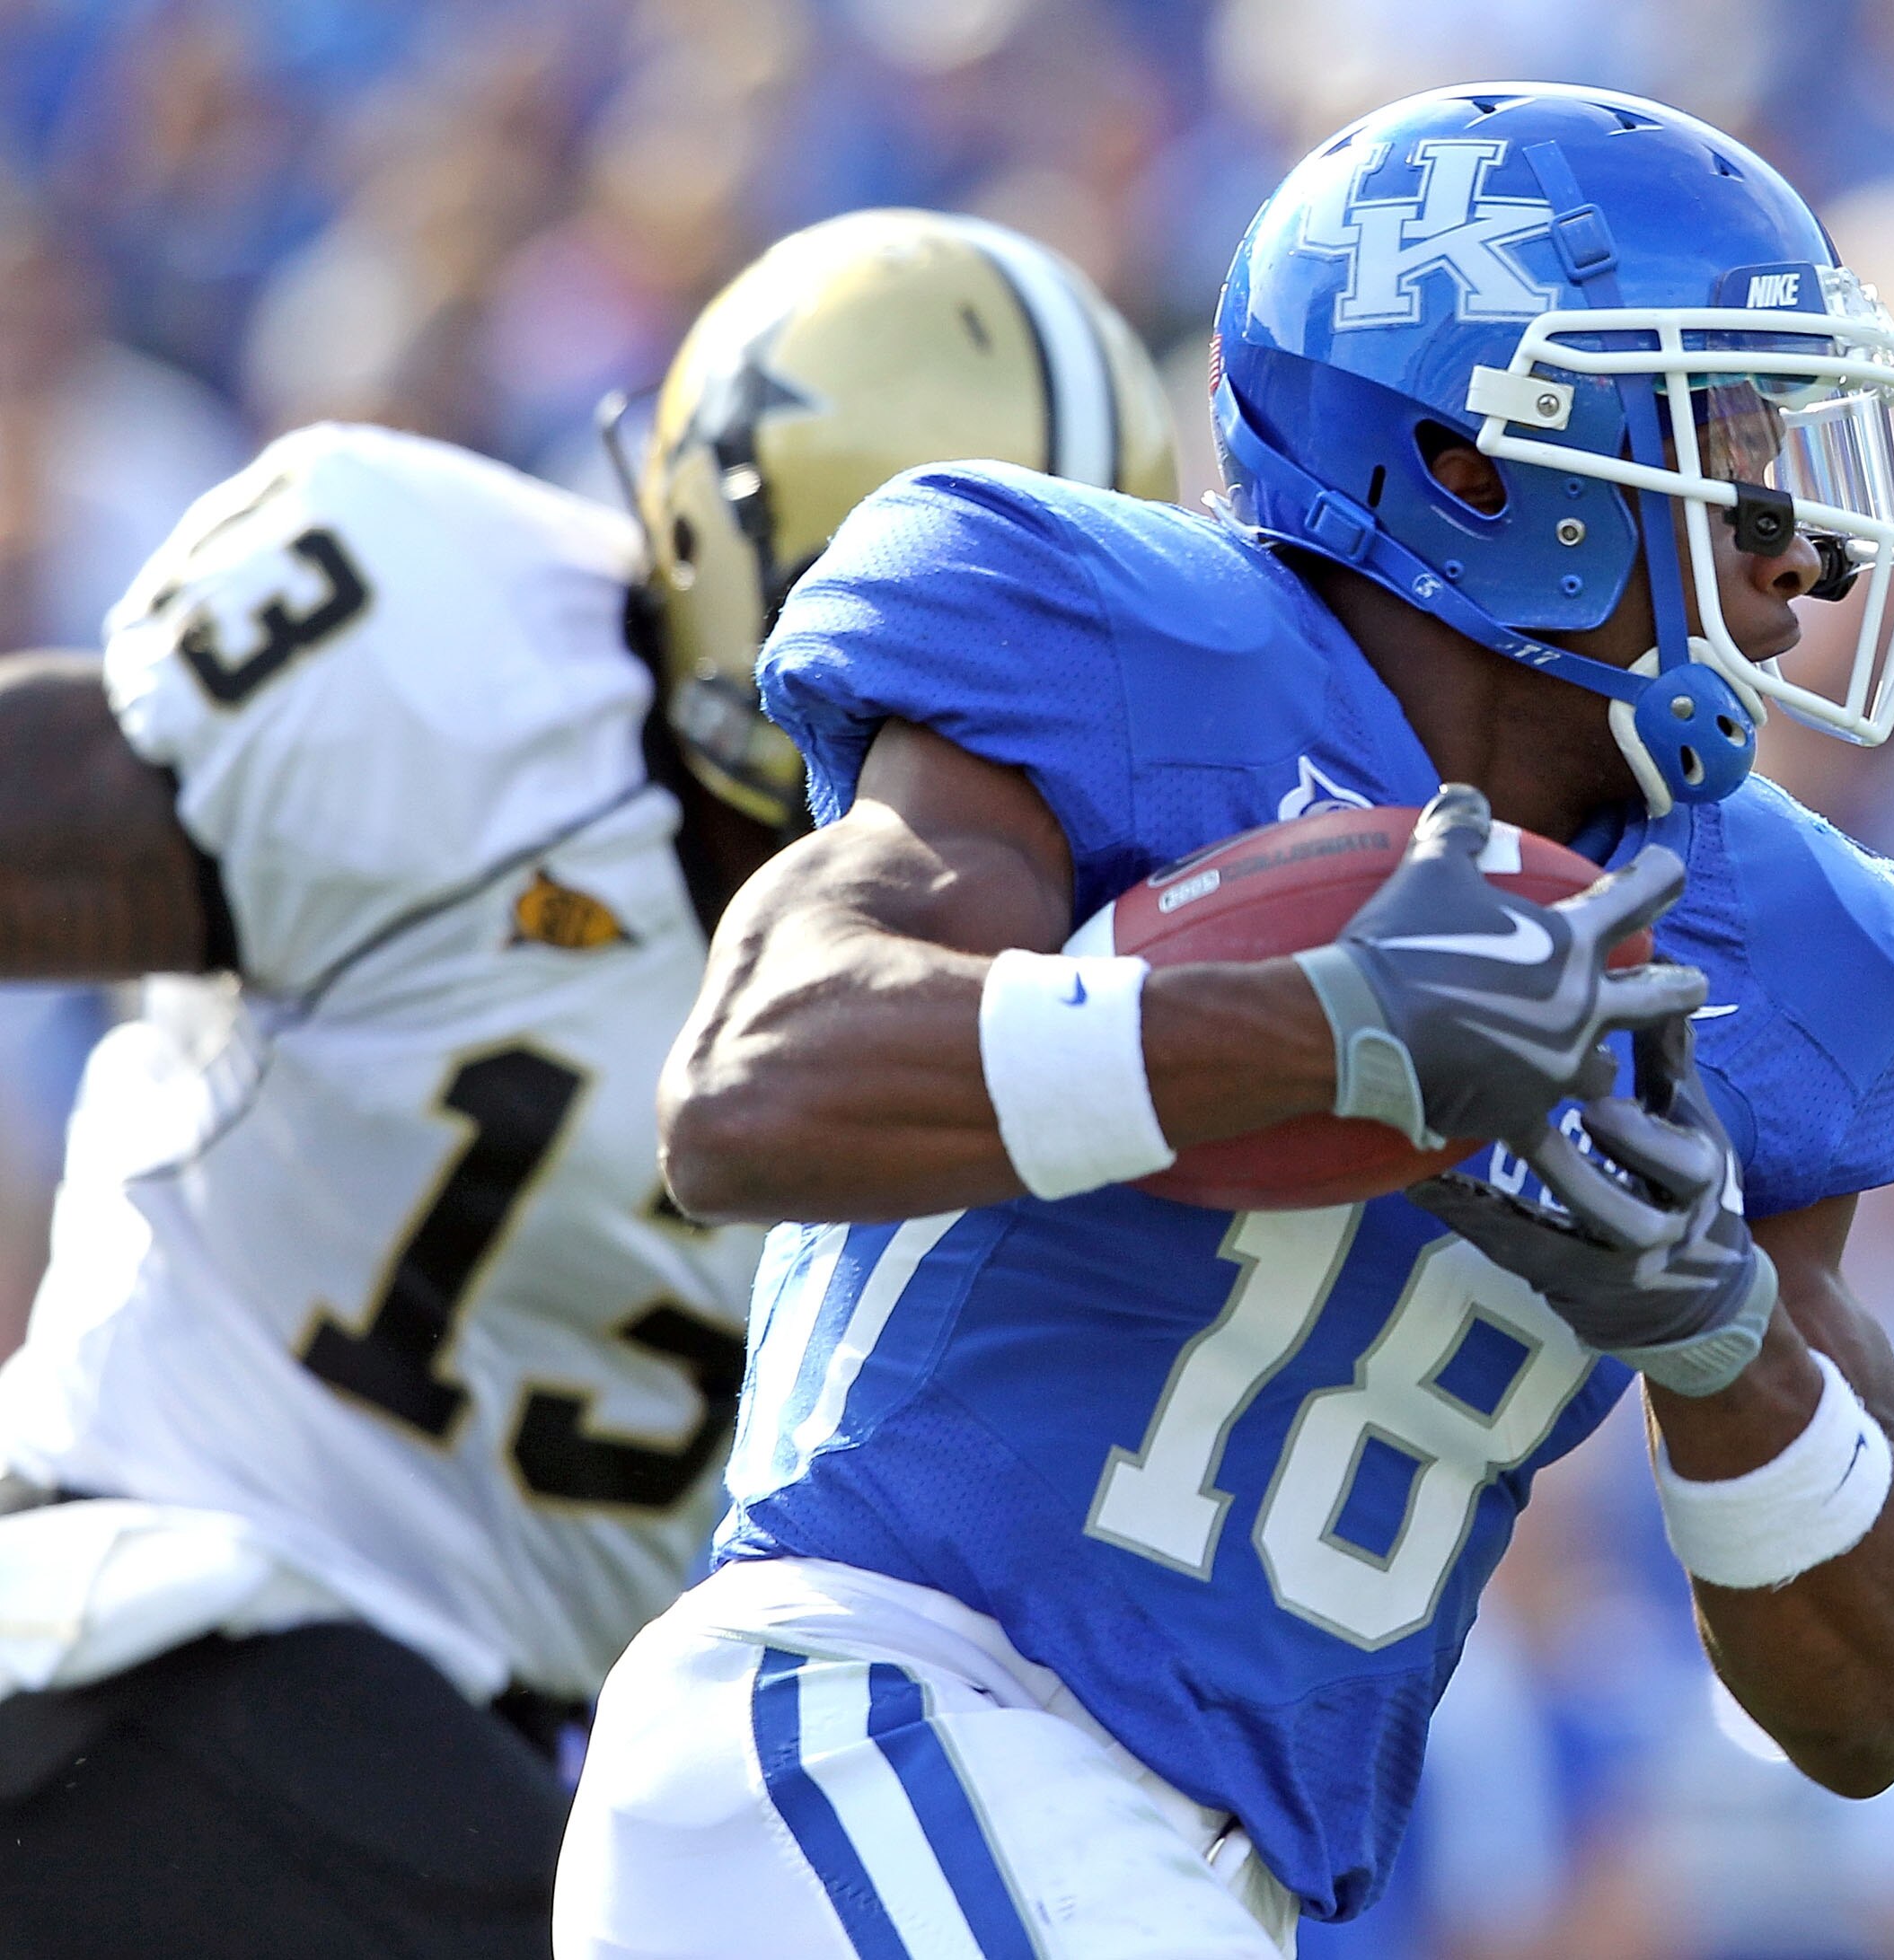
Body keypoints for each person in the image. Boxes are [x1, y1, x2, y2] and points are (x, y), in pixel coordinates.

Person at [561, 83, 1894, 1959]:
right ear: (1478, 461)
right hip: (883, 1719)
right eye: (1718, 432)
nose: (1800, 540)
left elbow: (1874, 1713)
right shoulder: (1121, 638)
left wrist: (1725, 1349)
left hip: (1186, 1874)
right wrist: (1312, 1029)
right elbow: (751, 1091)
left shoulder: (1792, 943)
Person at [0, 208, 1176, 1960]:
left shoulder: (1066, 991)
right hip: (159, 1602)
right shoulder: (440, 663)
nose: (988, 727)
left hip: (502, 1771)